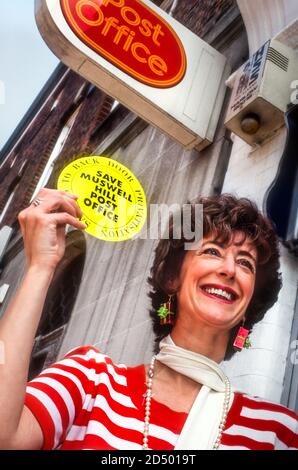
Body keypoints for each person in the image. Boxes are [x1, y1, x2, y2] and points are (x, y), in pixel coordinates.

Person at [0, 188, 297, 450]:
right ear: (171, 278)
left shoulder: (277, 434)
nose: (229, 269)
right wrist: (40, 267)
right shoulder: (90, 382)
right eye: (212, 251)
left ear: (249, 304)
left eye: (245, 262)